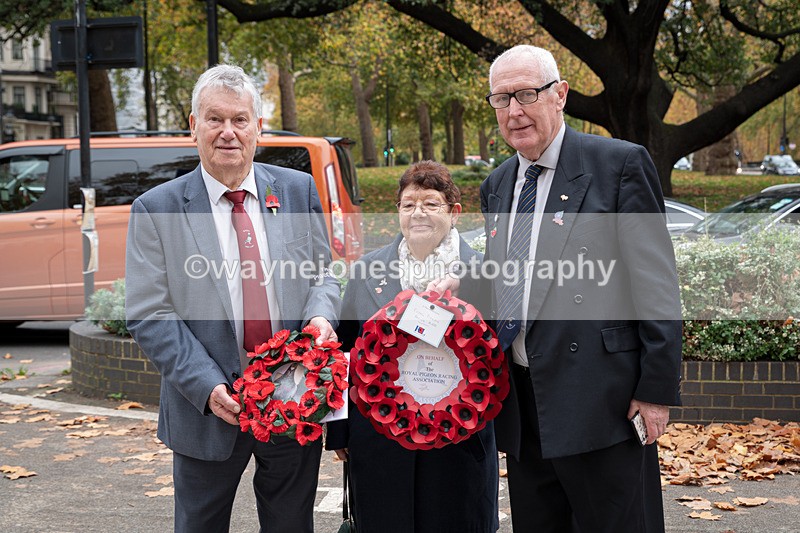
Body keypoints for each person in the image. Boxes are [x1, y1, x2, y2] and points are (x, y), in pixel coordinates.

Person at [125, 64, 340, 533]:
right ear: (193, 125)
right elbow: (149, 312)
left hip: (291, 398)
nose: (228, 132)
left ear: (258, 128)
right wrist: (205, 385)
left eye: (240, 119)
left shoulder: (297, 190)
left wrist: (321, 317)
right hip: (205, 407)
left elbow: (323, 273)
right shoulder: (156, 208)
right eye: (215, 119)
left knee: (290, 525)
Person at [481, 45, 682, 532]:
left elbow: (656, 283)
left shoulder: (619, 165)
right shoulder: (497, 184)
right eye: (501, 99)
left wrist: (655, 391)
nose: (514, 111)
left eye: (526, 94)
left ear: (560, 95)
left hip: (603, 403)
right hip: (525, 408)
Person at [326, 161, 499, 533]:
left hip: (459, 444)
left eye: (431, 203)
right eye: (408, 204)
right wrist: (339, 431)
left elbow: (500, 354)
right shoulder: (366, 271)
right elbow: (345, 350)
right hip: (379, 442)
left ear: (454, 213)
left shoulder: (485, 273)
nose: (418, 212)